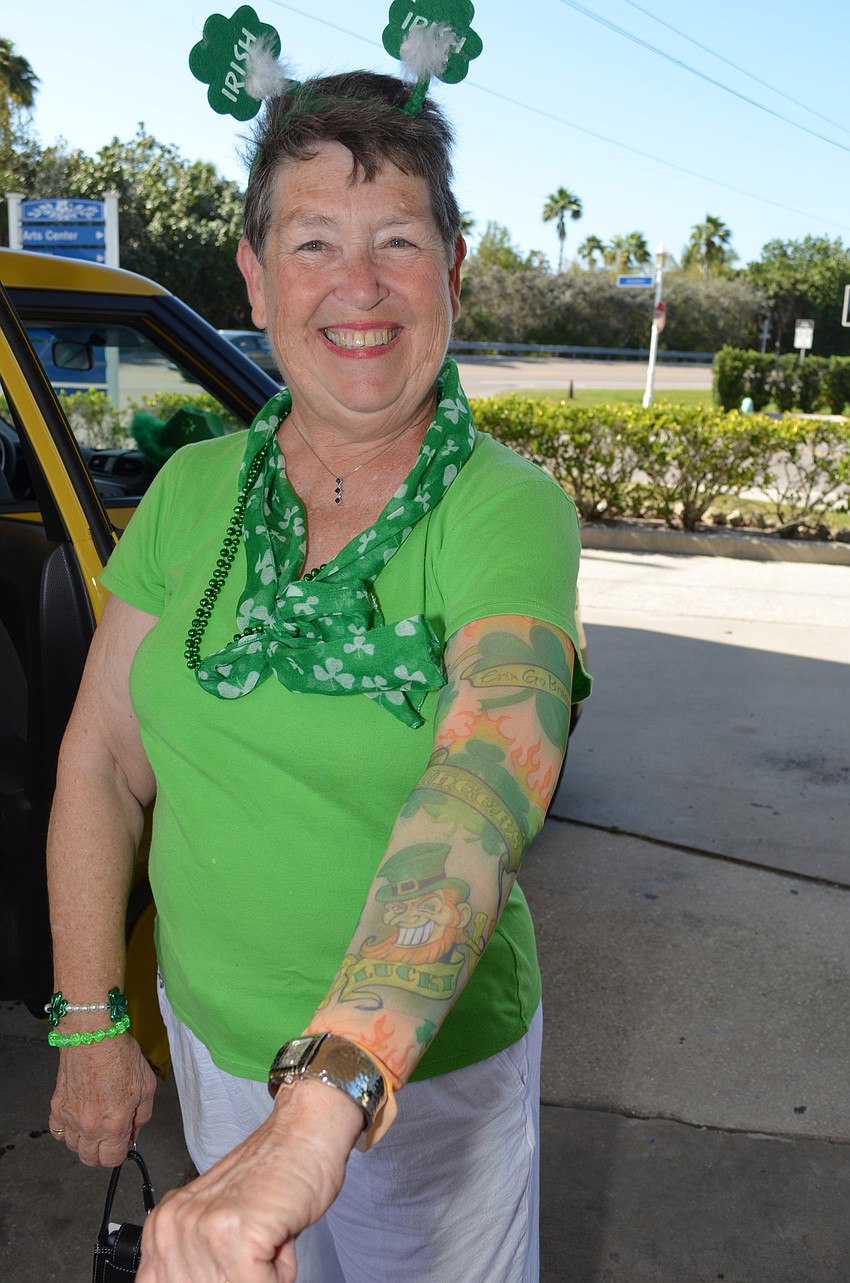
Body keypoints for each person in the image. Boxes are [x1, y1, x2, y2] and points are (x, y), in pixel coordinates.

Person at [45, 69, 591, 1283]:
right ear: (253, 273)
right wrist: (92, 1014)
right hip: (216, 1045)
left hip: (427, 1080)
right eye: (314, 243)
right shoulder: (191, 492)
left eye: (398, 240)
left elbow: (486, 774)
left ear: (453, 266)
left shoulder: (506, 508)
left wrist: (327, 1093)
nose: (359, 287)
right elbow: (101, 758)